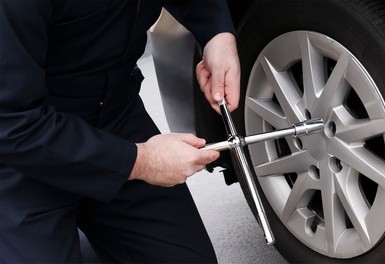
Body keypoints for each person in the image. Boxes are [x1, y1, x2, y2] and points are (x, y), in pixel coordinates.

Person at [0, 0, 240, 262]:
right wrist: (143, 161)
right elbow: (10, 121)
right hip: (22, 155)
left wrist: (217, 34)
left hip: (115, 116)